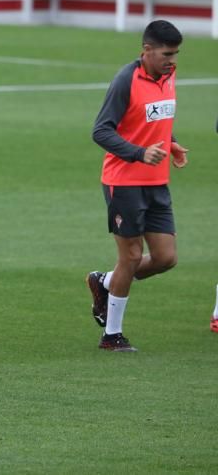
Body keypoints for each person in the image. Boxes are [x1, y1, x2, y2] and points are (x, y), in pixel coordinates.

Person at [86, 20, 187, 352]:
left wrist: (170, 143)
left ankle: (104, 281)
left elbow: (156, 119)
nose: (172, 61)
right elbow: (101, 131)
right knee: (129, 256)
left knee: (165, 257)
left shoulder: (168, 76)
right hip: (124, 182)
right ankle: (111, 335)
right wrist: (139, 153)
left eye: (175, 54)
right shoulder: (125, 80)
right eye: (166, 54)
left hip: (157, 182)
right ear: (146, 50)